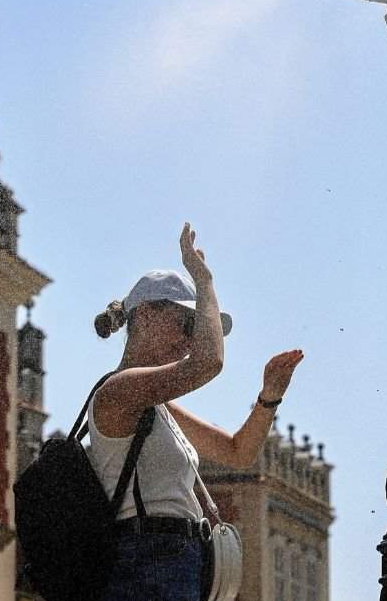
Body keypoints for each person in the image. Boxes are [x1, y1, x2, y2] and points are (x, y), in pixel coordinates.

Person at [90, 223, 304, 600]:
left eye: (195, 328)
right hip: (147, 563)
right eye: (184, 324)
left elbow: (239, 452)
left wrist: (269, 396)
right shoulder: (118, 390)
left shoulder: (156, 406)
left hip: (171, 563)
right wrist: (204, 282)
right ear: (145, 317)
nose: (191, 340)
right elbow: (208, 362)